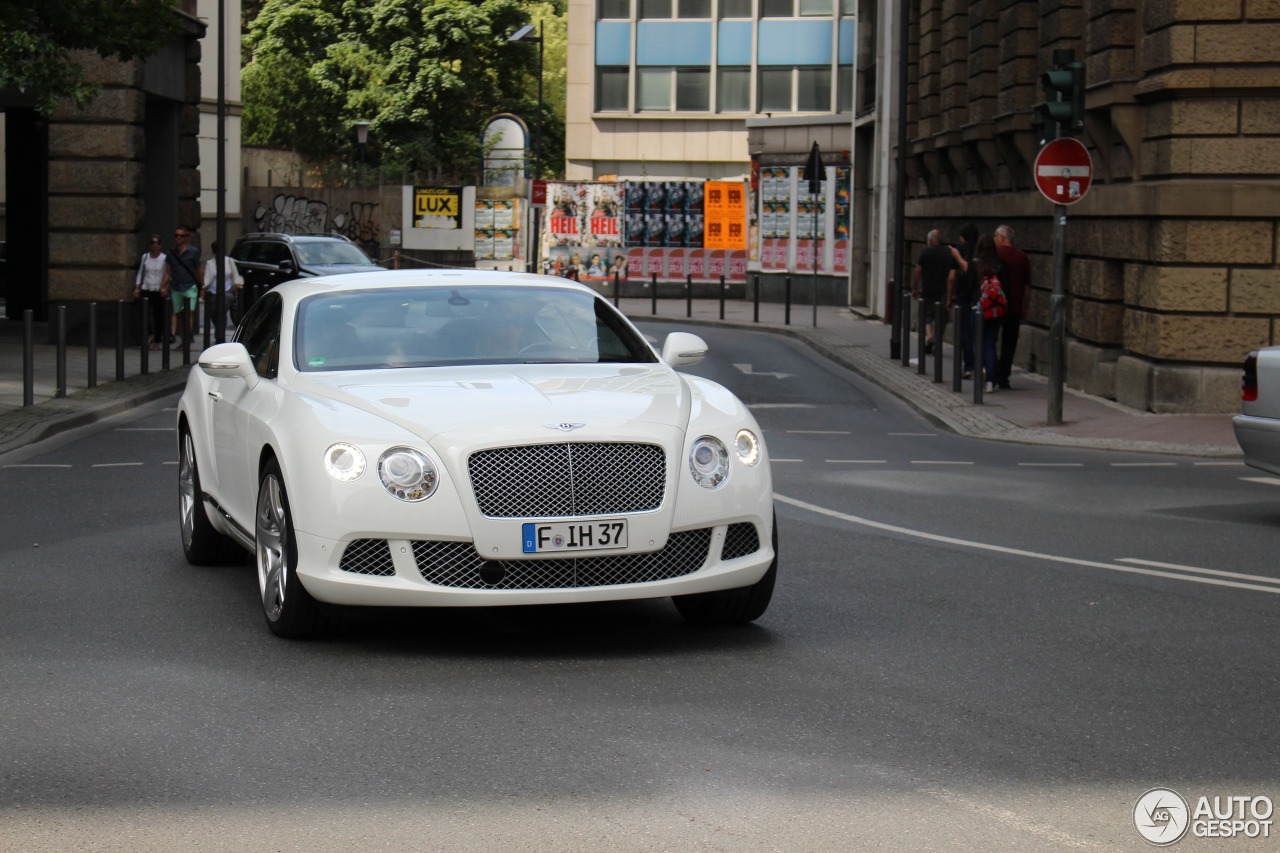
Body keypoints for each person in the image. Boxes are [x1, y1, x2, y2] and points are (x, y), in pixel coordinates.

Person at [993, 224, 1031, 390]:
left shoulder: (995, 255)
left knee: (990, 339)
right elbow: (1027, 285)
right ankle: (1004, 376)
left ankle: (992, 371)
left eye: (996, 237)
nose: (994, 240)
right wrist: (1026, 305)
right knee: (1009, 342)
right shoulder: (1022, 256)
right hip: (1015, 304)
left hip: (994, 305)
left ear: (1002, 238)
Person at [911, 229, 955, 355]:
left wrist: (914, 288)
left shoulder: (925, 252)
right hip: (943, 291)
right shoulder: (948, 252)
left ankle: (930, 337)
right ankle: (937, 341)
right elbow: (953, 275)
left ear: (930, 240)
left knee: (926, 316)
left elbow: (918, 271)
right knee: (942, 319)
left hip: (927, 290)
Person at [973, 233, 1007, 393]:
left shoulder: (975, 265)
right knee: (991, 343)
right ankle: (990, 380)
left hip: (979, 309)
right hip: (995, 311)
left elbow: (970, 288)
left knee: (978, 342)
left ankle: (980, 373)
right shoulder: (999, 264)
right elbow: (1005, 287)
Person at [948, 223, 980, 378]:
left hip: (963, 297)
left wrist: (949, 297)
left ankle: (969, 366)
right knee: (980, 333)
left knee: (965, 333)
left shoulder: (958, 250)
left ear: (963, 237)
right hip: (979, 296)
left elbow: (952, 277)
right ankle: (982, 365)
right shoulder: (981, 250)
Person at [133, 234, 170, 350]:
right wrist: (137, 287)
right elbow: (141, 272)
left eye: (157, 243)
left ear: (161, 245)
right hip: (146, 287)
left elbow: (167, 273)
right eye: (153, 243)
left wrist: (165, 288)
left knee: (158, 315)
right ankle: (149, 335)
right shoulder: (145, 257)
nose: (155, 245)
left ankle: (157, 340)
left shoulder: (164, 258)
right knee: (144, 313)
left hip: (158, 289)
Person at [167, 227, 201, 344]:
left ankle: (187, 336)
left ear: (186, 238)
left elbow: (198, 269)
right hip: (176, 286)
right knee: (178, 314)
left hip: (190, 285)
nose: (178, 238)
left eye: (181, 236)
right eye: (176, 235)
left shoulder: (193, 252)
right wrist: (163, 285)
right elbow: (168, 271)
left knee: (189, 312)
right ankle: (183, 338)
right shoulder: (171, 252)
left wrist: (202, 286)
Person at [203, 241, 244, 329]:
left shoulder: (229, 261)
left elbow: (235, 275)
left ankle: (220, 333)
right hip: (213, 292)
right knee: (214, 312)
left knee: (221, 310)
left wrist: (237, 287)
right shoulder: (210, 263)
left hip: (227, 290)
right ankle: (219, 330)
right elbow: (206, 279)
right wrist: (203, 289)